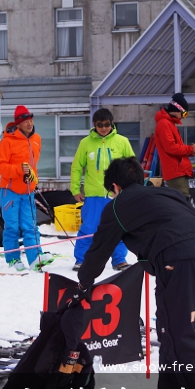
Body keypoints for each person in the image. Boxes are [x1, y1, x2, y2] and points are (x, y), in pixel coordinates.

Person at [74, 157, 195, 389]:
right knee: (168, 330)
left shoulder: (118, 206)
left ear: (115, 187)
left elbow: (98, 250)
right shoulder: (167, 193)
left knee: (178, 335)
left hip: (177, 259)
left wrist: (84, 282)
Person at [69, 108, 134, 272]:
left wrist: (133, 188)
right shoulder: (85, 143)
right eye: (100, 125)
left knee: (118, 227)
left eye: (107, 124)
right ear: (94, 125)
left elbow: (132, 166)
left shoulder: (122, 141)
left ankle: (119, 260)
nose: (104, 128)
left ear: (112, 124)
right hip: (94, 194)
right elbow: (77, 167)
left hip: (117, 195)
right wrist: (75, 188)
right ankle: (82, 260)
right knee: (89, 228)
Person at [0, 105, 53, 272]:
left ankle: (35, 258)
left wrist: (33, 178)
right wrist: (20, 170)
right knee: (12, 227)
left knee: (30, 226)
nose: (29, 123)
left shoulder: (37, 139)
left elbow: (33, 165)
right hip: (10, 191)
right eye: (25, 121)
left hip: (28, 191)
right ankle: (13, 260)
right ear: (18, 124)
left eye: (31, 120)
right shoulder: (7, 141)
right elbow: (1, 167)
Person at [153, 93, 195, 200]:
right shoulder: (164, 124)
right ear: (178, 110)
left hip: (178, 171)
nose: (184, 117)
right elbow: (171, 147)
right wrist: (190, 149)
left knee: (182, 201)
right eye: (184, 114)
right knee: (182, 201)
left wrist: (191, 151)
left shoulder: (168, 124)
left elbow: (175, 148)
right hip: (175, 172)